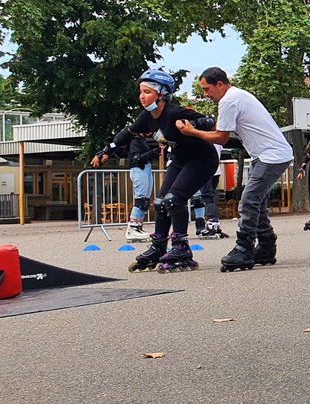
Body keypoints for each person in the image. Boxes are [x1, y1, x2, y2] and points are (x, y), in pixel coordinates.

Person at [91, 69, 218, 273]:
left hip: (201, 160)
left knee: (173, 200)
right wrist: (106, 151)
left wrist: (194, 124)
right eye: (140, 92)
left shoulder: (175, 112)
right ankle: (159, 247)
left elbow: (209, 122)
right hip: (179, 160)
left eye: (147, 92)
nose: (142, 96)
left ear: (162, 94)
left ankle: (181, 247)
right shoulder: (147, 116)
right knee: (160, 203)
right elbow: (127, 133)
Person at [179, 67, 295, 272]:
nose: (205, 95)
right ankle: (266, 247)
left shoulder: (229, 101)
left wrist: (192, 132)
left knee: (249, 200)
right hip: (266, 155)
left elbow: (221, 138)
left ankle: (244, 248)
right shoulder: (238, 95)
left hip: (272, 156)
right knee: (257, 202)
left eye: (207, 89)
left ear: (220, 84)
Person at [124, 132, 160, 243]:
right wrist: (151, 153)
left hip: (145, 168)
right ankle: (132, 228)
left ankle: (138, 227)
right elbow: (136, 158)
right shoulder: (135, 141)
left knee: (145, 199)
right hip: (139, 168)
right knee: (141, 199)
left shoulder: (142, 140)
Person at [191, 144, 229, 239]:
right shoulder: (216, 138)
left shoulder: (202, 137)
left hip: (204, 169)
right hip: (216, 171)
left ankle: (212, 221)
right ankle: (214, 222)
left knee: (207, 197)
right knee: (210, 196)